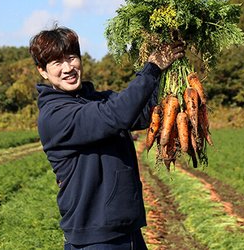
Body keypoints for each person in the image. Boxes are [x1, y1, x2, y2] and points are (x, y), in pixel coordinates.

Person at [29, 25, 184, 249]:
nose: (68, 68)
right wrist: (151, 68)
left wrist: (168, 77)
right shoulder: (55, 116)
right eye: (57, 63)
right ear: (43, 71)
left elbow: (141, 115)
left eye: (72, 58)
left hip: (128, 230)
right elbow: (117, 115)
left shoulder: (97, 99)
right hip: (95, 238)